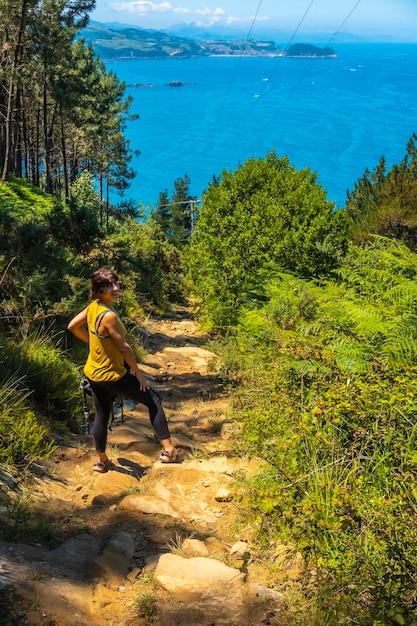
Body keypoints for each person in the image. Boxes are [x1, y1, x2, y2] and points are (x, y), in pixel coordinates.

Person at [68, 268, 178, 472]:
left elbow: (73, 326)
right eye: (109, 285)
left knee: (101, 414)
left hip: (93, 372)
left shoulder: (94, 307)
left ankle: (101, 461)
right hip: (111, 374)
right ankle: (170, 451)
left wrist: (94, 342)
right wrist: (138, 373)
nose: (116, 288)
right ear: (99, 290)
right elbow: (125, 348)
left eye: (116, 283)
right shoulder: (108, 316)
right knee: (153, 400)